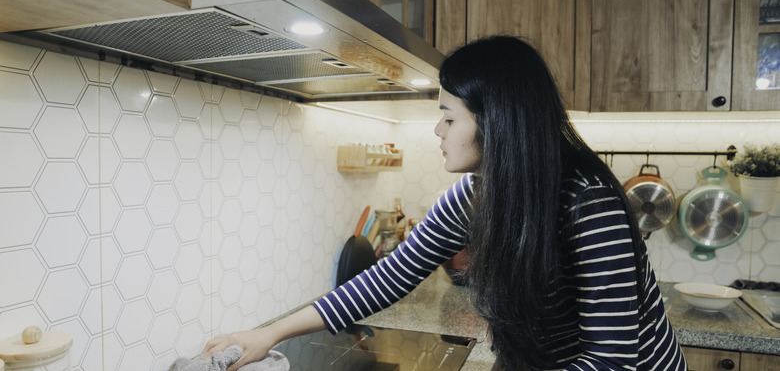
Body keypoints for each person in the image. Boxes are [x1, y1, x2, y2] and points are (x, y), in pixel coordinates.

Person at [202, 36, 688, 370]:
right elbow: (388, 277)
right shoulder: (475, 196)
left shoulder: (589, 202)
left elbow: (613, 358)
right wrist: (270, 334)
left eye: (448, 118)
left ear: (497, 122)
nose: (438, 131)